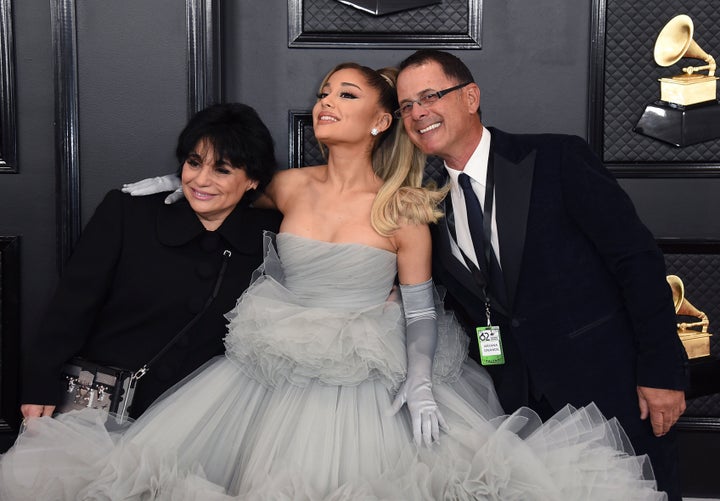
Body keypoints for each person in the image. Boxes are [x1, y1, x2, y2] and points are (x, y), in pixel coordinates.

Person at [1, 63, 667, 500]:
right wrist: (169, 185)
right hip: (272, 371)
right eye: (322, 92)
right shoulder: (287, 185)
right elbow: (226, 187)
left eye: (345, 95)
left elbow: (419, 307)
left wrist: (419, 377)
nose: (326, 101)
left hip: (369, 375)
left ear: (383, 121)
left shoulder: (408, 202)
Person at [394, 49, 689, 500]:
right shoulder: (428, 207)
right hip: (518, 410)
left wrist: (662, 371)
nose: (418, 113)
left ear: (470, 96)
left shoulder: (556, 157)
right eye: (406, 106)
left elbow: (637, 260)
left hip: (612, 391)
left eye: (430, 96)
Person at [18, 102, 281, 421]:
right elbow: (72, 305)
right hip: (103, 413)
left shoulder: (269, 237)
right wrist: (40, 384)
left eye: (221, 170)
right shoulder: (128, 214)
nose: (200, 180)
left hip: (200, 423)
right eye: (194, 163)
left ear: (253, 180)